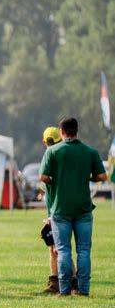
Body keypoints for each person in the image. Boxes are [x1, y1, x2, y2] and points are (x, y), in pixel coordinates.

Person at [40, 117, 106, 296]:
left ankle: (64, 289)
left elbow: (43, 177)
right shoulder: (90, 151)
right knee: (84, 250)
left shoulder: (52, 151)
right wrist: (87, 177)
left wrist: (57, 180)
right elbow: (102, 176)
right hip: (83, 209)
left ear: (62, 132)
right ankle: (83, 290)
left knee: (63, 250)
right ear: (77, 131)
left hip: (61, 209)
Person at [39, 127, 76, 294]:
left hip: (58, 210)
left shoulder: (52, 159)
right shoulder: (58, 158)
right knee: (55, 247)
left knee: (58, 248)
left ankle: (72, 281)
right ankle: (55, 280)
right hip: (57, 209)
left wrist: (51, 215)